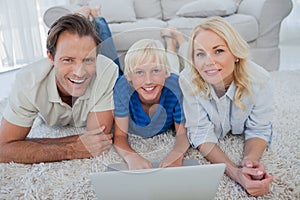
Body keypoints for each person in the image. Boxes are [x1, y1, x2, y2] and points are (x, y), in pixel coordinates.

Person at [175, 16, 274, 196]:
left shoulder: (260, 79)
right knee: (176, 57)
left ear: (236, 54)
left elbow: (259, 129)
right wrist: (235, 173)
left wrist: (249, 163)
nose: (208, 62)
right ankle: (174, 39)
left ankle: (179, 40)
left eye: (218, 50)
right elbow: (200, 133)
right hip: (184, 64)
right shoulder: (187, 78)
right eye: (200, 53)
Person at [0, 14, 118, 163]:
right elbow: (3, 149)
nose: (79, 72)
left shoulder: (107, 71)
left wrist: (25, 144)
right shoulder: (28, 81)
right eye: (68, 60)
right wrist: (72, 149)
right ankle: (86, 13)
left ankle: (93, 15)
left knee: (104, 33)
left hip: (110, 69)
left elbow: (98, 140)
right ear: (50, 57)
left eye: (88, 59)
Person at [113, 39, 190, 170]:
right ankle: (169, 44)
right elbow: (120, 136)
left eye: (155, 70)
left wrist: (176, 155)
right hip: (160, 79)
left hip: (171, 78)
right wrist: (131, 157)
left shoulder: (176, 86)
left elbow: (182, 134)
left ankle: (171, 43)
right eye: (139, 72)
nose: (148, 81)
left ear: (165, 73)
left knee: (176, 68)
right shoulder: (122, 88)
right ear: (129, 76)